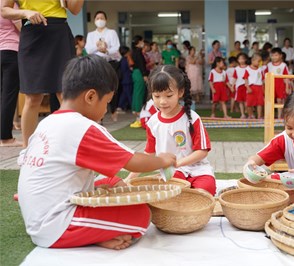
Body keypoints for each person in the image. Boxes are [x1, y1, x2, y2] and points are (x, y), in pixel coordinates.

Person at [17, 55, 176, 250]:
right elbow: (133, 162)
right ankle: (94, 235)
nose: (105, 111)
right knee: (141, 215)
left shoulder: (47, 123)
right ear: (91, 97)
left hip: (38, 212)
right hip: (54, 226)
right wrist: (162, 160)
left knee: (111, 181)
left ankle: (96, 232)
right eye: (106, 103)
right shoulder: (83, 128)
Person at [1, 0, 84, 147]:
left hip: (59, 33)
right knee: (32, 97)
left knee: (66, 95)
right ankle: (28, 152)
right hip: (32, 32)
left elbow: (75, 10)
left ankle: (72, 148)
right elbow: (4, 10)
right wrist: (24, 12)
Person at [133, 65, 216, 195]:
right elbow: (149, 154)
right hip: (172, 172)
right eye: (157, 96)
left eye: (169, 95)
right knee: (173, 191)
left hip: (198, 169)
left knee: (205, 190)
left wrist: (177, 163)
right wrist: (130, 178)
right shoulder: (153, 122)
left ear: (180, 92)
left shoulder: (192, 118)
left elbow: (202, 151)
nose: (162, 102)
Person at [0, 2, 21, 147]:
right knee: (9, 96)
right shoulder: (10, 5)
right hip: (12, 51)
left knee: (2, 95)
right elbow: (22, 29)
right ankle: (6, 138)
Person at [264, 48, 290, 119]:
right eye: (272, 55)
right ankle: (270, 116)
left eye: (276, 55)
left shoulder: (283, 65)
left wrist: (287, 87)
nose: (274, 57)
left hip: (280, 85)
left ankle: (279, 116)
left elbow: (286, 77)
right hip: (271, 84)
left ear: (280, 56)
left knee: (279, 100)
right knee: (270, 100)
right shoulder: (269, 65)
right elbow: (265, 75)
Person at [130, 35, 149, 129]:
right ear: (139, 42)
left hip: (135, 73)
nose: (143, 43)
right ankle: (138, 112)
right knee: (139, 93)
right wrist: (144, 75)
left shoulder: (133, 51)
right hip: (139, 73)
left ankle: (136, 111)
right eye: (142, 41)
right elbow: (142, 64)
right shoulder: (138, 52)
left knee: (136, 93)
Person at [243, 53, 264, 119]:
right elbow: (245, 79)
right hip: (251, 87)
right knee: (249, 103)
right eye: (258, 61)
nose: (259, 63)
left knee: (260, 103)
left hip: (259, 87)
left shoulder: (260, 69)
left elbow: (263, 79)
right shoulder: (247, 69)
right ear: (253, 60)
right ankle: (250, 115)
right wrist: (247, 87)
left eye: (260, 61)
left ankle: (259, 116)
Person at [231, 53, 249, 119]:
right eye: (239, 59)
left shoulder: (248, 68)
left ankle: (248, 112)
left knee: (247, 101)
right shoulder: (236, 69)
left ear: (245, 59)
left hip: (246, 86)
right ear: (238, 60)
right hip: (239, 86)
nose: (241, 60)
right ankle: (242, 114)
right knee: (240, 101)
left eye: (242, 58)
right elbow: (235, 78)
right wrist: (232, 86)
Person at [117, 46, 133, 112]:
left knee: (124, 93)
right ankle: (132, 107)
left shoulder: (123, 59)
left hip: (125, 79)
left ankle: (120, 106)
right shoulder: (125, 60)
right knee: (128, 93)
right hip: (127, 79)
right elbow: (126, 69)